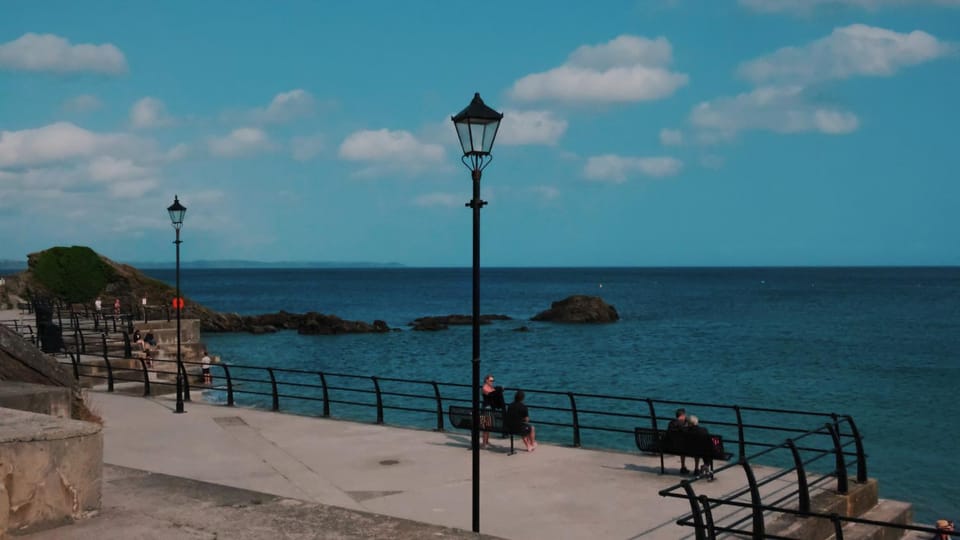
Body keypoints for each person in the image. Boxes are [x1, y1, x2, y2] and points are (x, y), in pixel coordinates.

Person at [480, 374, 504, 448]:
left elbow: (495, 393)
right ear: (486, 380)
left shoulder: (491, 387)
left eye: (493, 381)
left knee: (488, 425)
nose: (492, 382)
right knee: (485, 426)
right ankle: (484, 443)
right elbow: (489, 394)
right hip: (485, 408)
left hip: (490, 408)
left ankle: (487, 441)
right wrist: (498, 390)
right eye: (491, 380)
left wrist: (499, 389)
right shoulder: (484, 387)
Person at [688, 415, 715, 480]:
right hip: (703, 451)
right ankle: (706, 465)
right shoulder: (703, 430)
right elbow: (709, 441)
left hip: (689, 450)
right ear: (696, 422)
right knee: (708, 450)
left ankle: (704, 466)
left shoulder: (687, 431)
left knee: (701, 449)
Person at [667, 408, 690, 474]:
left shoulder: (671, 423)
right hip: (679, 447)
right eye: (685, 415)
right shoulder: (681, 425)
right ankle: (696, 469)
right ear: (682, 415)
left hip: (669, 446)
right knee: (684, 445)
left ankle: (683, 467)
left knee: (681, 444)